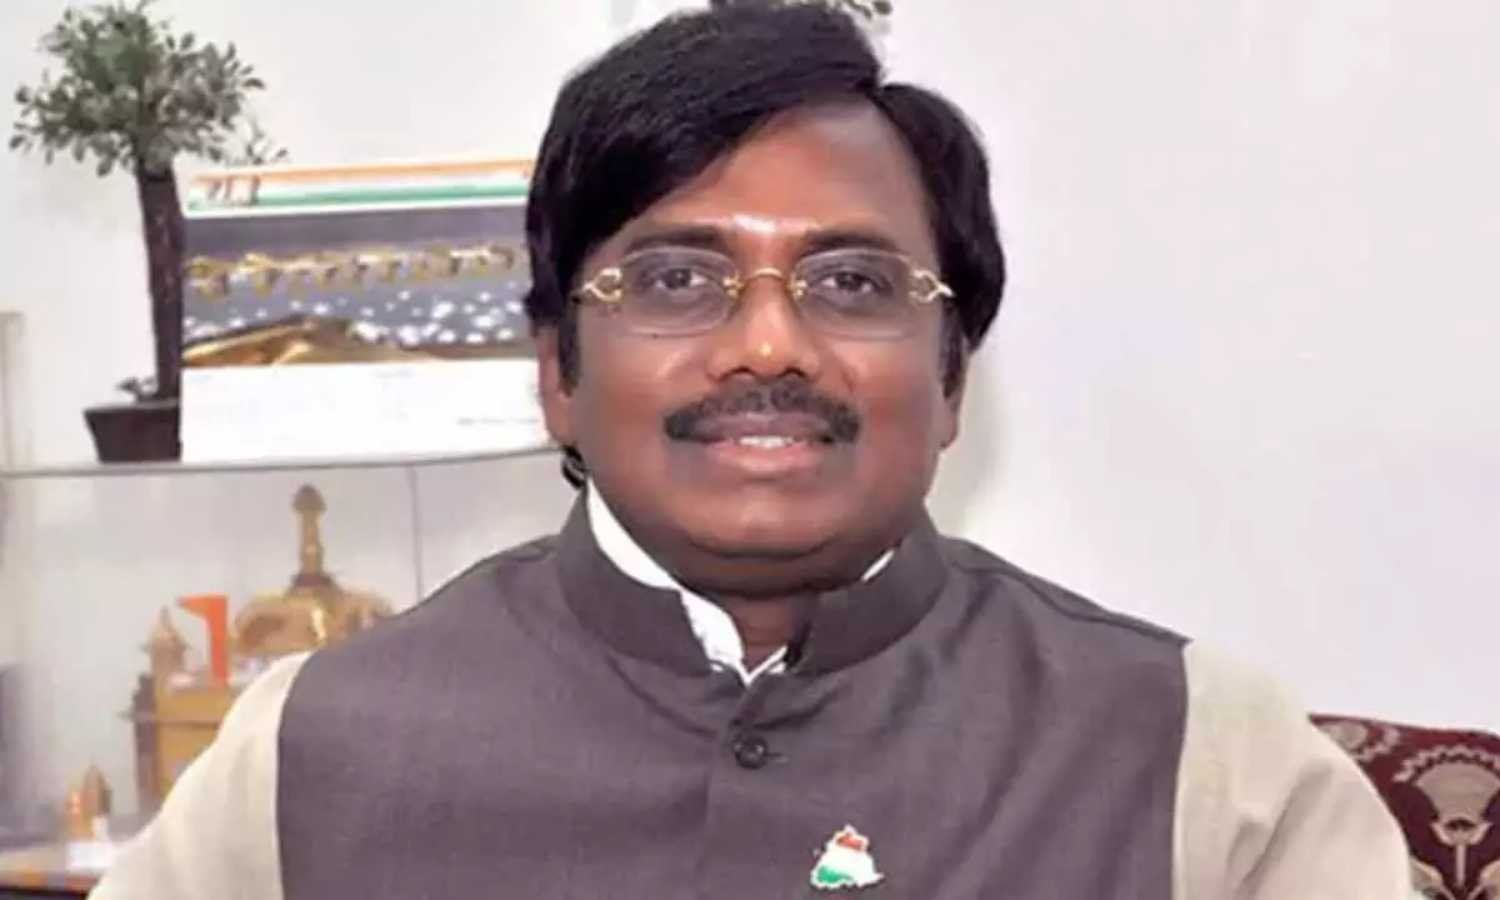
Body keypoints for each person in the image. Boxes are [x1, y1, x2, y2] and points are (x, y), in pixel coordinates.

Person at [92, 5, 1410, 898]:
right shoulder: (310, 756)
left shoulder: (1196, 757)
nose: (769, 345)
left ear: (952, 376)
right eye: (674, 279)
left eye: (852, 283)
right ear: (557, 372)